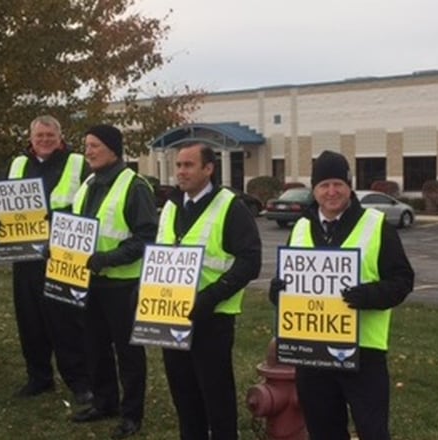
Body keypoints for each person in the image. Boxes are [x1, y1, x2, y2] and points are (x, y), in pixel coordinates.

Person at [269, 150, 415, 440]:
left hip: (364, 353)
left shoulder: (376, 225)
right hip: (312, 353)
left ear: (350, 186)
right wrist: (278, 292)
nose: (331, 191)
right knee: (324, 431)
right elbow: (289, 281)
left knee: (372, 431)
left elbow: (402, 280)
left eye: (338, 184)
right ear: (314, 189)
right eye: (324, 185)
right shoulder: (300, 228)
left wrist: (369, 296)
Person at [157, 142, 262, 439]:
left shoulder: (230, 207)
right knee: (184, 396)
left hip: (212, 317)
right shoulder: (171, 206)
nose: (181, 171)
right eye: (178, 165)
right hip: (172, 316)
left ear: (208, 169)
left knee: (216, 397)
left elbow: (250, 261)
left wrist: (211, 296)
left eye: (188, 165)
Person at [0, 116, 91, 401]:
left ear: (60, 138)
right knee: (30, 320)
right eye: (39, 136)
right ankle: (39, 377)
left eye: (50, 135)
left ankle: (80, 382)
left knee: (67, 321)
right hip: (25, 257)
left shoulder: (78, 164)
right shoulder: (17, 164)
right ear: (30, 138)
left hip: (63, 256)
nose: (44, 140)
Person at [70, 124, 157, 439]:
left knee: (128, 354)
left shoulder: (134, 185)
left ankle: (132, 414)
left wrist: (105, 260)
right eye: (86, 145)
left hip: (123, 285)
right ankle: (104, 402)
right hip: (88, 282)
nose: (88, 151)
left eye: (94, 145)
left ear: (113, 149)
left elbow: (146, 237)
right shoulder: (89, 183)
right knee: (94, 347)